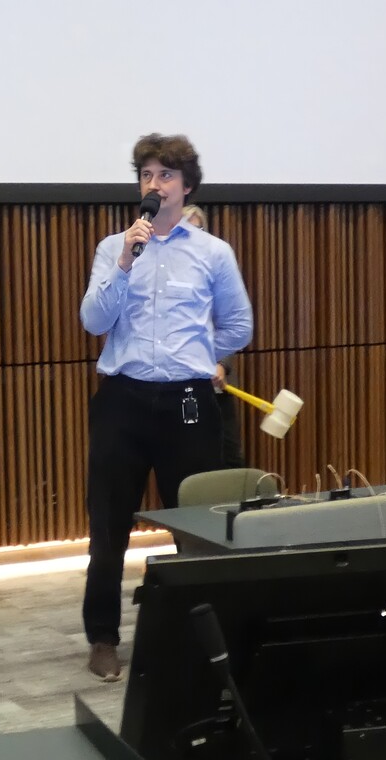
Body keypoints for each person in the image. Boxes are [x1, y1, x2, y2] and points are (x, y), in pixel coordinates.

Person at [79, 133, 254, 680]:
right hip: (123, 401)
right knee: (109, 526)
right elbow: (93, 321)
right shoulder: (114, 247)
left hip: (188, 404)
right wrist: (124, 263)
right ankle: (103, 638)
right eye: (146, 175)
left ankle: (200, 640)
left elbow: (239, 325)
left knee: (196, 527)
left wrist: (204, 356)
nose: (154, 185)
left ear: (187, 187)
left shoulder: (212, 253)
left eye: (165, 176)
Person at [182, 204, 246, 468]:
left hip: (218, 389)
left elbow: (230, 326)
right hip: (183, 392)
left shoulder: (216, 271)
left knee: (231, 459)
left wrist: (221, 364)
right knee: (192, 463)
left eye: (200, 230)